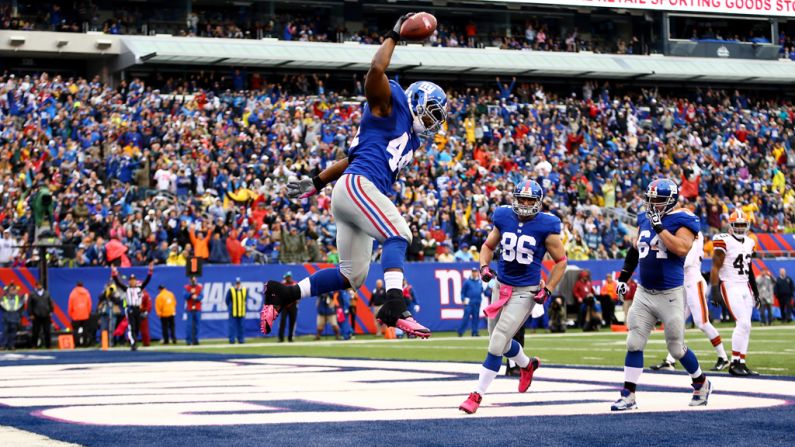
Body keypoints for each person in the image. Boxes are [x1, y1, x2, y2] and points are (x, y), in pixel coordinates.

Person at [261, 13, 447, 340]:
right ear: (416, 102)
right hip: (360, 187)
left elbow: (348, 159)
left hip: (350, 191)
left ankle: (283, 294)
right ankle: (394, 304)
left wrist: (316, 182)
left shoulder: (405, 132)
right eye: (431, 113)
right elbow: (375, 71)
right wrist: (394, 34)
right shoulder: (392, 103)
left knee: (352, 275)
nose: (433, 123)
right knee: (399, 233)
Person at [459, 180, 568, 414]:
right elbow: (488, 246)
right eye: (522, 199)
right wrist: (484, 266)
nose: (526, 204)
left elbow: (561, 262)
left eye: (531, 200)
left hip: (525, 292)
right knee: (499, 341)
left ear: (538, 202)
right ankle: (527, 365)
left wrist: (547, 288)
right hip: (501, 286)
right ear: (514, 199)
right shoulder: (503, 217)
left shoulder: (546, 225)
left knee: (498, 340)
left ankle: (477, 395)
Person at [613, 179, 711, 411]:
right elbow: (636, 249)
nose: (653, 204)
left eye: (658, 200)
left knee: (676, 348)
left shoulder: (683, 219)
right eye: (651, 199)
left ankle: (701, 382)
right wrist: (623, 277)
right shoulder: (643, 218)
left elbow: (681, 248)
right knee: (634, 342)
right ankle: (628, 395)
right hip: (645, 293)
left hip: (670, 293)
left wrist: (659, 227)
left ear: (671, 200)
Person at [650, 231, 729, 372]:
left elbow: (687, 261)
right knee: (677, 322)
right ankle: (670, 360)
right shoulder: (687, 233)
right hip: (683, 283)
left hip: (694, 283)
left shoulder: (694, 235)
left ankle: (723, 357)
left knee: (702, 323)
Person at [710, 210, 759, 376]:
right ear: (730, 226)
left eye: (742, 225)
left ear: (747, 226)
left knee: (747, 325)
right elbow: (715, 266)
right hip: (730, 284)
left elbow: (749, 268)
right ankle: (734, 362)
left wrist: (756, 291)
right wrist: (715, 290)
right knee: (743, 323)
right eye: (736, 225)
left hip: (745, 285)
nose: (739, 228)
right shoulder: (724, 241)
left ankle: (741, 362)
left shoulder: (750, 242)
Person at [112, 262, 154, 351]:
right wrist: (114, 273)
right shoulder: (126, 289)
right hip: (130, 308)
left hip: (137, 309)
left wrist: (150, 271)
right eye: (131, 280)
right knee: (132, 326)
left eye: (134, 280)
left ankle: (134, 341)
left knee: (137, 326)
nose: (132, 281)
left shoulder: (139, 288)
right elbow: (118, 283)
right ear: (129, 281)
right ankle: (133, 343)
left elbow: (147, 281)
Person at [26, 280, 53, 349]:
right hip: (36, 315)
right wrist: (30, 314)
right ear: (36, 286)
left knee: (47, 330)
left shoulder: (47, 293)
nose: (39, 286)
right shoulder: (32, 294)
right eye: (38, 285)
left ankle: (48, 345)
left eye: (40, 285)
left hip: (46, 315)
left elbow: (50, 303)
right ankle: (34, 345)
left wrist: (51, 311)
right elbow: (29, 305)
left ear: (42, 286)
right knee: (35, 331)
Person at [458, 268, 483, 337]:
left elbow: (481, 291)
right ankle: (461, 332)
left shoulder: (479, 281)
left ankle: (474, 332)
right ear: (471, 273)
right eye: (473, 272)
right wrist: (463, 299)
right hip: (469, 303)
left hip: (477, 303)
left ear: (478, 273)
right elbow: (462, 292)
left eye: (475, 272)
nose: (474, 273)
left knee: (476, 318)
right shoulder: (467, 282)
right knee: (466, 317)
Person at [68, 281, 92, 347]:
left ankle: (77, 344)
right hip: (85, 315)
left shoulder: (73, 293)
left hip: (75, 315)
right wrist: (88, 312)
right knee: (85, 330)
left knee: (75, 330)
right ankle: (85, 344)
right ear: (83, 285)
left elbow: (70, 306)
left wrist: (70, 314)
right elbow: (89, 304)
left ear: (76, 285)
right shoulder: (86, 293)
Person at [1, 284, 24, 350]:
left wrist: (19, 316)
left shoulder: (18, 298)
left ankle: (11, 345)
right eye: (11, 289)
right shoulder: (3, 298)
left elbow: (21, 307)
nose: (13, 291)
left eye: (14, 289)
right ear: (8, 290)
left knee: (13, 333)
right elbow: (1, 307)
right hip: (6, 316)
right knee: (5, 332)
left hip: (15, 317)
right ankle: (3, 345)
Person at [226, 277, 248, 344]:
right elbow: (227, 300)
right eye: (237, 283)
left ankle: (241, 339)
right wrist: (231, 307)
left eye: (239, 283)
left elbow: (245, 299)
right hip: (233, 311)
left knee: (241, 326)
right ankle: (232, 340)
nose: (238, 285)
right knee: (232, 326)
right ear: (234, 283)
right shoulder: (231, 290)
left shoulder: (244, 290)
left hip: (241, 311)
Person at [277, 272, 298, 342]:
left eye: (287, 277)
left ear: (289, 277)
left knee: (292, 321)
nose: (286, 279)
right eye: (285, 277)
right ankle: (281, 338)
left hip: (293, 305)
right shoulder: (282, 284)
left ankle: (290, 337)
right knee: (282, 321)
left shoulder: (295, 284)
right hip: (284, 305)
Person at [185, 276, 202, 345]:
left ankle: (196, 340)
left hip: (197, 308)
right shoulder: (187, 287)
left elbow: (201, 296)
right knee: (189, 325)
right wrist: (190, 293)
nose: (193, 281)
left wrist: (197, 297)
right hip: (190, 309)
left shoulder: (199, 287)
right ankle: (188, 340)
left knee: (196, 325)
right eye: (192, 280)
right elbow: (185, 296)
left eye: (194, 280)